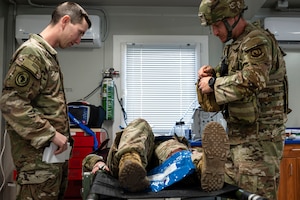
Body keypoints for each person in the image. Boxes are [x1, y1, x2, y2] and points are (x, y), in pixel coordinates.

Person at [197, 0, 289, 199]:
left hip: (259, 143)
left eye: (217, 25)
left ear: (232, 18)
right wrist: (214, 72)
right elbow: (237, 76)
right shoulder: (236, 45)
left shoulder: (256, 41)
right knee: (232, 194)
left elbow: (253, 80)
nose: (214, 32)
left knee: (254, 195)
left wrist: (213, 83)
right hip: (238, 139)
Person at [0, 2, 91, 199]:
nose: (79, 40)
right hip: (37, 167)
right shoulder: (32, 53)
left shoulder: (47, 55)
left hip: (49, 165)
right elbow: (11, 103)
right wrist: (51, 134)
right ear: (65, 21)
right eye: (79, 32)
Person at [83, 118, 229, 193]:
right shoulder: (126, 139)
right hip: (126, 162)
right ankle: (130, 166)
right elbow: (88, 158)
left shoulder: (162, 140)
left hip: (163, 164)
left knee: (175, 150)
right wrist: (97, 163)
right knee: (140, 124)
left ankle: (204, 168)